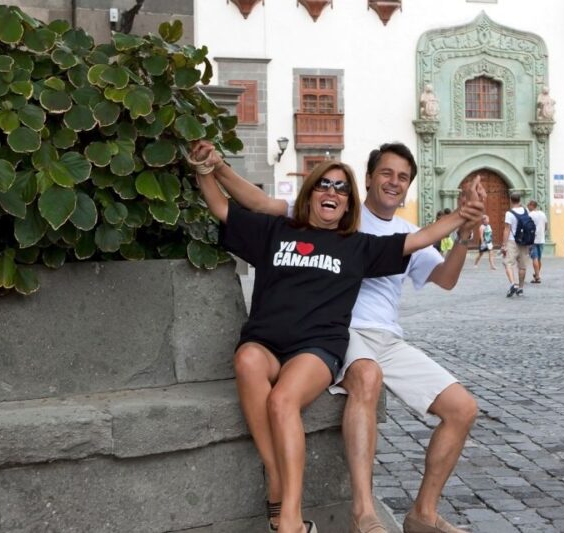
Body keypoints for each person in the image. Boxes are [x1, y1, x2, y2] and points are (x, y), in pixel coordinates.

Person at [189, 140, 484, 533]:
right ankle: (344, 507)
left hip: (353, 341)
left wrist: (464, 225)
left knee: (461, 408)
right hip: (311, 334)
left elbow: (433, 262)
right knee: (342, 373)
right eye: (386, 173)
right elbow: (243, 206)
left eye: (403, 177)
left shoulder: (375, 239)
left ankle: (414, 515)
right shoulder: (300, 221)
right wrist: (210, 168)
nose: (332, 192)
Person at [501, 192, 530, 297]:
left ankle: (513, 284)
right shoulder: (526, 210)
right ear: (520, 200)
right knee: (522, 266)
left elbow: (507, 229)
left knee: (508, 263)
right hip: (524, 241)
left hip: (512, 241)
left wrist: (504, 244)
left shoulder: (509, 213)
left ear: (510, 200)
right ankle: (521, 288)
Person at [527, 200, 548, 283]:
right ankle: (536, 275)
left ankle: (538, 276)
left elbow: (527, 226)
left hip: (533, 240)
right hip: (541, 239)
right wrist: (542, 232)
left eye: (528, 205)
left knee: (534, 258)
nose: (528, 207)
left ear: (532, 205)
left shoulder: (530, 215)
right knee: (539, 259)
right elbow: (546, 226)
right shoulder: (543, 214)